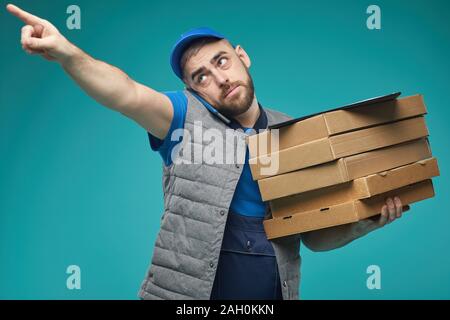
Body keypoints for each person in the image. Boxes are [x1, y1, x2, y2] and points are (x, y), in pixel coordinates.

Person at [6, 3, 408, 300]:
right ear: (193, 90)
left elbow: (314, 238)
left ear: (242, 57)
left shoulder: (293, 132)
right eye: (202, 76)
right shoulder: (182, 118)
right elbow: (124, 92)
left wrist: (365, 221)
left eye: (222, 61)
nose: (219, 78)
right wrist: (67, 53)